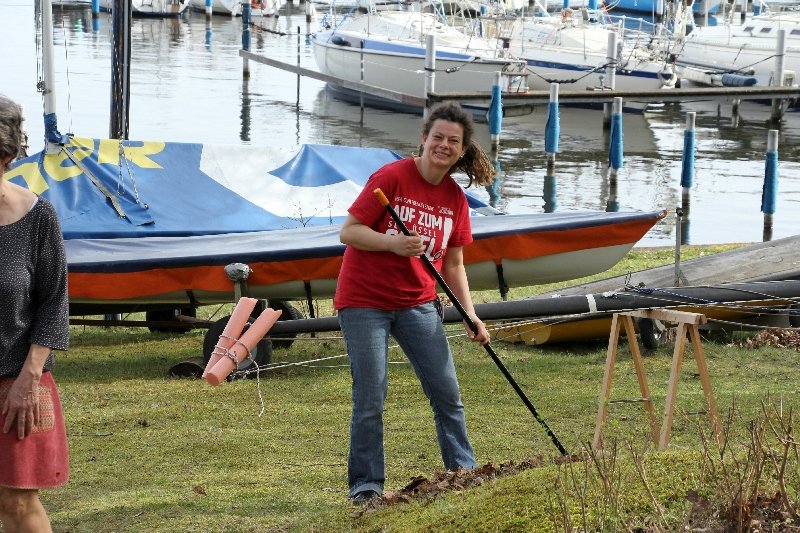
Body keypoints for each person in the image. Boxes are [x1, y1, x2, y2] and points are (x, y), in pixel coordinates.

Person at [334, 101, 494, 504]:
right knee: (371, 397)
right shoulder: (391, 177)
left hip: (418, 303)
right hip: (364, 301)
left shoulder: (455, 199)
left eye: (452, 141)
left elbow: (454, 263)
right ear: (423, 139)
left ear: (461, 151)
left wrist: (470, 314)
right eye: (437, 137)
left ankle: (463, 471)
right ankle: (366, 487)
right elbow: (349, 232)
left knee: (447, 394)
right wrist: (394, 244)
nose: (443, 145)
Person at [0, 95, 70, 533]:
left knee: (16, 502)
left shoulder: (36, 217)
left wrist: (30, 377)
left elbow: (53, 303)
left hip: (16, 382)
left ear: (4, 156)